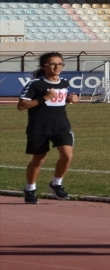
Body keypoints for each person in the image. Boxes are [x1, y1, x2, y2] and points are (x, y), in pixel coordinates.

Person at [17, 52, 79, 204]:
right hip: (39, 127)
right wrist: (43, 98)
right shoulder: (36, 84)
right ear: (44, 67)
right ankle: (30, 189)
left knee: (67, 155)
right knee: (39, 159)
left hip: (61, 126)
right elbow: (21, 105)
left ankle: (56, 184)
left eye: (60, 64)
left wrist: (70, 99)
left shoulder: (64, 82)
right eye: (53, 64)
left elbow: (60, 100)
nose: (57, 67)